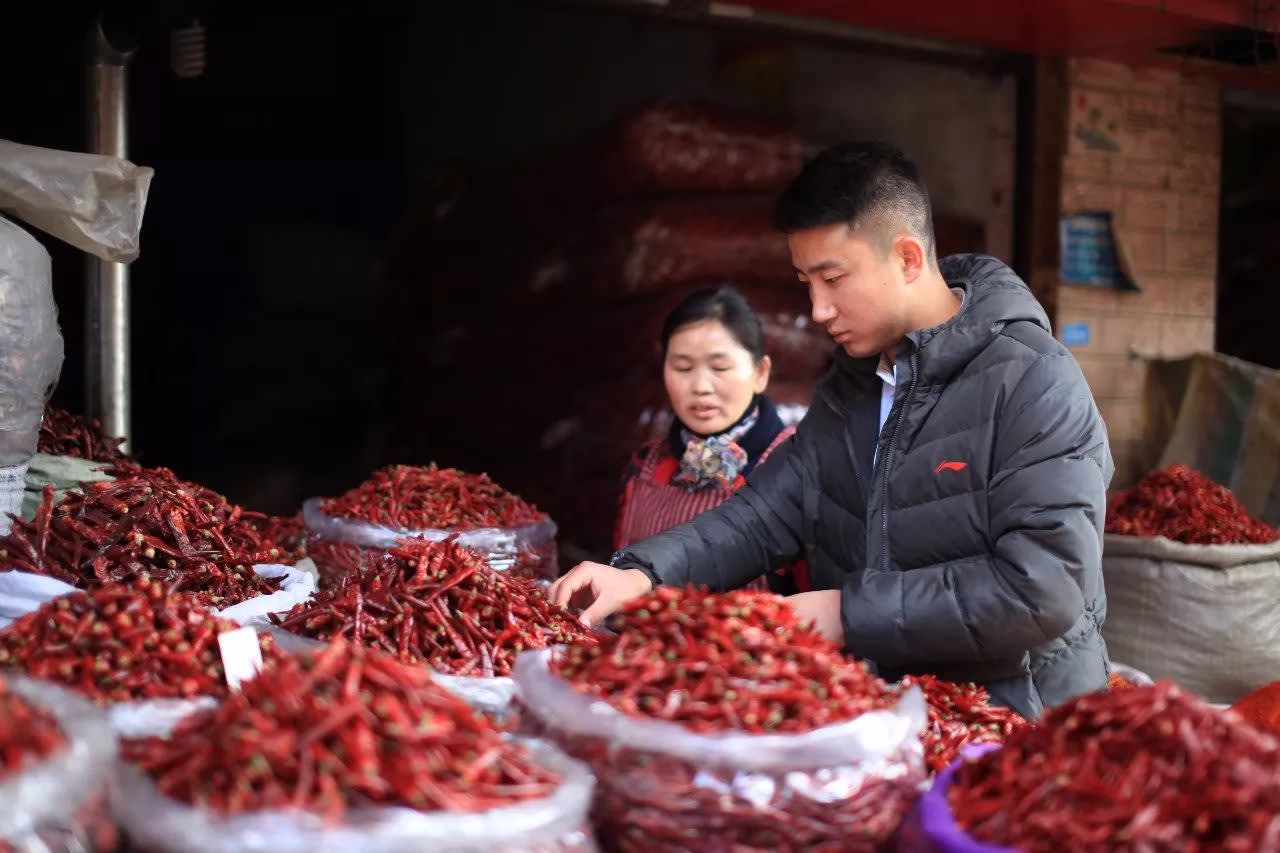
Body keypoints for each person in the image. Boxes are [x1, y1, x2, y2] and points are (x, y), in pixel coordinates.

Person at [551, 141, 1113, 718]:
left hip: (1016, 723)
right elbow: (762, 515)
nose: (818, 309)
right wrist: (643, 573)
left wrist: (846, 614)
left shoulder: (1034, 382)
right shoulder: (851, 387)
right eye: (805, 281)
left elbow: (1044, 589)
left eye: (834, 278)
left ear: (908, 259)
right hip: (888, 717)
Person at [614, 286, 807, 595]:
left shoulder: (795, 463)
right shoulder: (645, 465)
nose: (701, 386)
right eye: (683, 368)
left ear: (760, 373)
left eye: (719, 368)